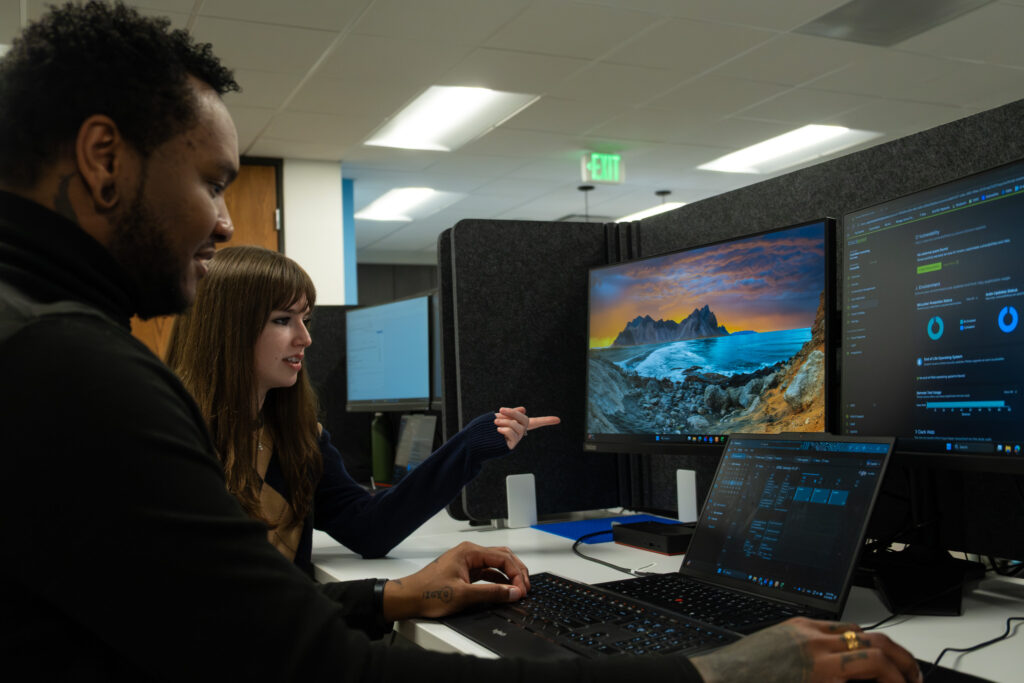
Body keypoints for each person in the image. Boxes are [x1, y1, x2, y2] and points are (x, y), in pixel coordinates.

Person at [0, 3, 922, 682]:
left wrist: (397, 595)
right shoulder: (69, 372)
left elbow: (215, 619)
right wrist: (716, 673)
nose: (222, 223)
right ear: (102, 158)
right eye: (211, 183)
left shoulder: (37, 342)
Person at [165, 244, 560, 568]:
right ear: (227, 331)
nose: (305, 338)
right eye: (283, 320)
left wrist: (471, 445)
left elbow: (370, 529)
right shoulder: (173, 442)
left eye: (305, 319)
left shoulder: (299, 439)